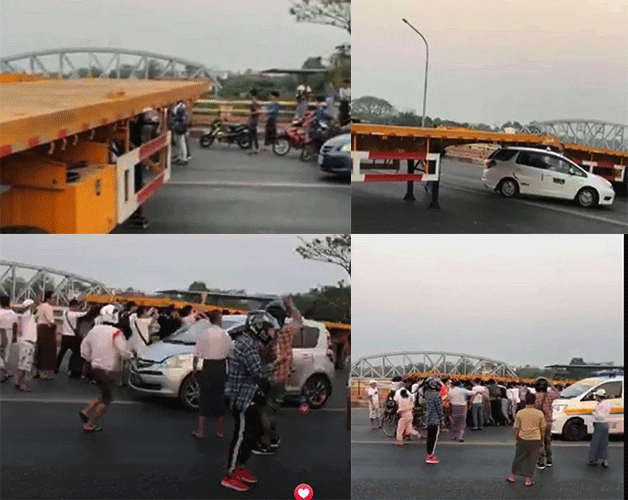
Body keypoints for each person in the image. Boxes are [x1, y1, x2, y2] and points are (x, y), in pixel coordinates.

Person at [221, 310, 277, 492]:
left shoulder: (251, 343)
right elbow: (258, 372)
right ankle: (229, 475)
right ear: (259, 328)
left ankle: (241, 467)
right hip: (243, 398)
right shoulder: (247, 345)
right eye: (268, 330)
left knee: (252, 435)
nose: (270, 333)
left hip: (250, 396)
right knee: (241, 437)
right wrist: (277, 364)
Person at [255, 297, 302, 454]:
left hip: (269, 377)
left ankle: (266, 443)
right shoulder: (287, 331)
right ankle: (274, 438)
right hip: (282, 377)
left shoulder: (267, 334)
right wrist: (291, 305)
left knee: (265, 412)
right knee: (273, 408)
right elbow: (299, 321)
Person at [79, 305, 134, 432]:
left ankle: (86, 410)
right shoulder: (116, 332)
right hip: (109, 369)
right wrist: (131, 357)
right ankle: (90, 423)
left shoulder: (94, 330)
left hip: (95, 368)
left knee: (104, 392)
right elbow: (124, 352)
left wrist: (89, 359)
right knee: (107, 399)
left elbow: (84, 349)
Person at [191, 310, 232, 439]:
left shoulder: (204, 334)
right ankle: (219, 431)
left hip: (208, 366)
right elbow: (229, 355)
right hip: (221, 367)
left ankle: (201, 430)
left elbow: (196, 355)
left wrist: (194, 370)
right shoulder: (225, 335)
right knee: (219, 399)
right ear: (219, 320)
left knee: (204, 399)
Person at [507, 392, 546, 487]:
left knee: (518, 457)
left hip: (523, 437)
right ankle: (528, 480)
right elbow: (543, 428)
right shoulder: (539, 413)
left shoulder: (520, 413)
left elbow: (516, 427)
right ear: (534, 401)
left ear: (525, 401)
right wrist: (542, 440)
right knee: (531, 459)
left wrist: (516, 438)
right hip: (535, 438)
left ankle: (512, 476)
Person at [55, 299, 88, 377]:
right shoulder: (75, 315)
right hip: (73, 337)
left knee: (61, 353)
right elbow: (85, 314)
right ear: (75, 306)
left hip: (64, 336)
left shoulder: (64, 313)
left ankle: (56, 367)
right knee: (77, 352)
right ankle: (73, 368)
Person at [533, 377, 559, 469]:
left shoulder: (534, 396)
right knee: (548, 441)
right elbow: (558, 394)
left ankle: (540, 462)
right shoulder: (550, 395)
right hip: (548, 422)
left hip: (538, 422)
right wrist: (552, 385)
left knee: (540, 442)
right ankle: (549, 460)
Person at [35, 291, 57, 380]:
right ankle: (44, 373)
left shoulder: (40, 306)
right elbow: (50, 321)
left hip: (39, 328)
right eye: (53, 298)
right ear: (48, 299)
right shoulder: (48, 307)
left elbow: (36, 317)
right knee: (47, 351)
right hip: (47, 330)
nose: (55, 300)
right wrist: (55, 326)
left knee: (39, 350)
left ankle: (36, 371)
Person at [587, 388, 612, 467]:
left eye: (596, 396)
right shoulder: (608, 403)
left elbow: (600, 416)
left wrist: (593, 413)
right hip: (605, 424)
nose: (595, 398)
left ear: (599, 396)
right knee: (604, 443)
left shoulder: (600, 405)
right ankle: (604, 460)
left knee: (596, 442)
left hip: (599, 424)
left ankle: (594, 460)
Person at [424, 377, 444, 463]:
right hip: (435, 419)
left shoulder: (427, 393)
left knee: (429, 438)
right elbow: (439, 408)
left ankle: (429, 454)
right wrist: (442, 419)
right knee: (433, 439)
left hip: (428, 419)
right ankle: (430, 456)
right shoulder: (436, 395)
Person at [0, 295, 19, 382]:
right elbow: (15, 325)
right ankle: (5, 368)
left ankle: (4, 369)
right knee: (7, 352)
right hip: (10, 332)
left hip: (1, 332)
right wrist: (14, 336)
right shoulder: (13, 313)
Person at [171, 100, 191, 164]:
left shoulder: (180, 108)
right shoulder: (182, 107)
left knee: (181, 142)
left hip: (180, 126)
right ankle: (180, 156)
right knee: (179, 142)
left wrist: (174, 118)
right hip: (181, 125)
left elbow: (176, 115)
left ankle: (183, 157)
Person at [247, 89, 262, 155]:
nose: (252, 99)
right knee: (251, 135)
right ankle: (252, 148)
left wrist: (252, 113)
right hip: (252, 121)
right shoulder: (252, 104)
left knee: (254, 135)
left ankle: (256, 148)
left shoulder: (257, 104)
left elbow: (258, 112)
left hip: (254, 121)